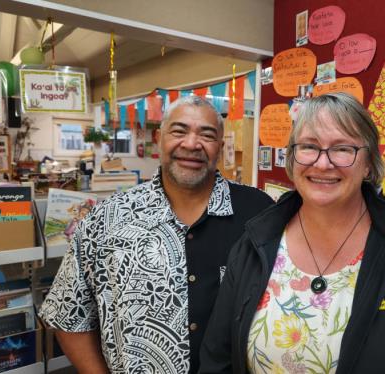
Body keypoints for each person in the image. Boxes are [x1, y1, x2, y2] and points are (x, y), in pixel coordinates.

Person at [199, 93, 385, 373]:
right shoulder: (255, 242)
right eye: (309, 146)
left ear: (368, 163)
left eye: (343, 149)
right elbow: (217, 359)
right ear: (293, 157)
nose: (322, 163)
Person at [39, 95, 274, 373]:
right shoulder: (106, 219)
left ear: (220, 147)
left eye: (207, 135)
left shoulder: (260, 215)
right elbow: (67, 314)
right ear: (158, 137)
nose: (191, 144)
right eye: (179, 131)